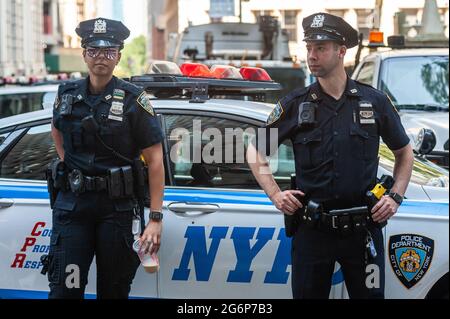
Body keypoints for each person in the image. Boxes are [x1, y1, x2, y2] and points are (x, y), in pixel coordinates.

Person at [246, 13, 414, 299]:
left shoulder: (374, 102)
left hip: (363, 231)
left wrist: (395, 196)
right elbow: (255, 150)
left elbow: (404, 152)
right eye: (309, 47)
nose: (312, 55)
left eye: (320, 48)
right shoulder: (295, 105)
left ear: (341, 51)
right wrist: (275, 195)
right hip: (313, 232)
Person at [45, 18, 165, 299]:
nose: (101, 57)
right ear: (84, 54)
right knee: (66, 289)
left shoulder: (134, 99)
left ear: (119, 56)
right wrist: (75, 169)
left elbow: (156, 161)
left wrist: (156, 218)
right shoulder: (66, 94)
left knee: (113, 290)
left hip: (116, 209)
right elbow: (56, 132)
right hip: (73, 207)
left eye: (109, 51)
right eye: (95, 50)